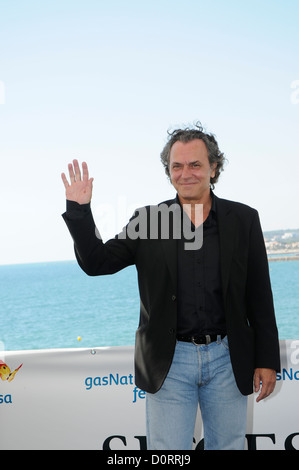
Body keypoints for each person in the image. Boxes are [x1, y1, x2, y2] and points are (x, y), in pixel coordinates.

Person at [61, 123, 280, 450]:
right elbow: (97, 263)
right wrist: (80, 211)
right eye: (177, 166)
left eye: (195, 164)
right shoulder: (149, 220)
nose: (186, 173)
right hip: (170, 361)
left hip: (227, 358)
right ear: (169, 171)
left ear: (213, 168)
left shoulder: (243, 219)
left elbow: (260, 295)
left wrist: (267, 359)